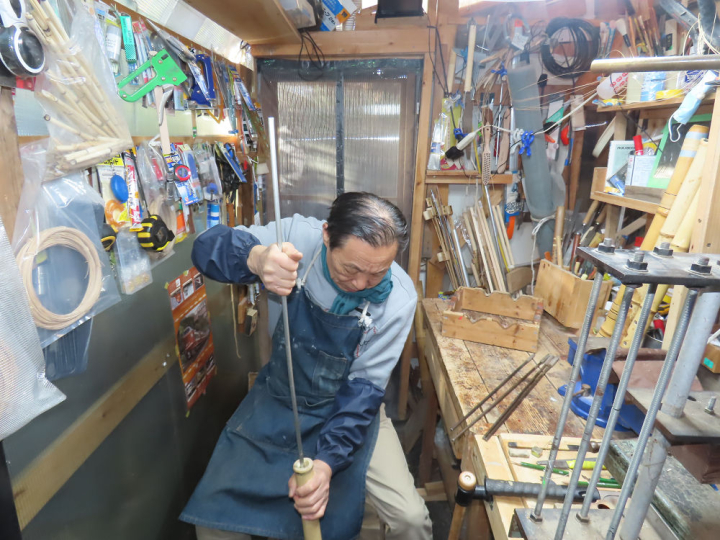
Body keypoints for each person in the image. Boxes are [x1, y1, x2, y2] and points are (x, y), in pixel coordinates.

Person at [180, 192, 432, 540]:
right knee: (213, 517)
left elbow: (363, 392)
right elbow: (206, 246)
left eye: (377, 273)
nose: (361, 284)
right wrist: (256, 258)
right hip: (279, 397)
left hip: (350, 410)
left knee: (410, 520)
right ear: (327, 236)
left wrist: (326, 464)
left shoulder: (399, 299)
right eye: (351, 269)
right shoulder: (296, 240)